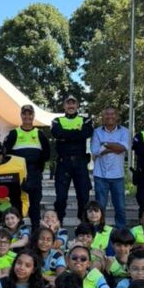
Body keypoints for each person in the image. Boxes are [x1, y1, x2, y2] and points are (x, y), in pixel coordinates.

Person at [4, 105, 50, 229]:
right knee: (17, 204)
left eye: (30, 114)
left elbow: (47, 154)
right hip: (17, 175)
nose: (27, 116)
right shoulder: (14, 133)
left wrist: (38, 165)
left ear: (33, 116)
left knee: (35, 205)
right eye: (24, 114)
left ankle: (35, 231)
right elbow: (5, 153)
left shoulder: (39, 134)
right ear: (21, 115)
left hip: (34, 173)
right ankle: (16, 230)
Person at [50, 94, 93, 223]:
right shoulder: (57, 121)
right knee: (61, 197)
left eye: (73, 103)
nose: (70, 106)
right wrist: (77, 133)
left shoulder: (86, 120)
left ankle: (83, 224)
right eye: (68, 103)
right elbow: (57, 133)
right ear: (64, 106)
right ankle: (58, 223)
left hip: (80, 162)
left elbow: (86, 133)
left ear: (77, 105)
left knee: (83, 196)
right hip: (64, 163)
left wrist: (65, 136)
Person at [90, 105, 130, 228]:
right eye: (107, 114)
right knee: (100, 207)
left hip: (117, 175)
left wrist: (105, 144)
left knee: (120, 207)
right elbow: (95, 151)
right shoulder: (97, 132)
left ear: (116, 116)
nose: (109, 116)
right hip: (100, 175)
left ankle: (121, 231)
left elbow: (124, 148)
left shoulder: (124, 131)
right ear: (103, 116)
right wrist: (115, 147)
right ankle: (99, 230)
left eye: (112, 114)